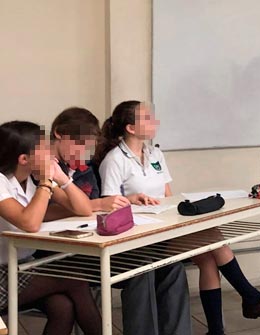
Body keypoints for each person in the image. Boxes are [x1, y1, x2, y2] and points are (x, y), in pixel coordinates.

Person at [94, 101, 260, 335]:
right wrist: (134, 200)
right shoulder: (114, 160)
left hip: (164, 228)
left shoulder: (155, 153)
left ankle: (220, 327)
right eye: (147, 118)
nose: (155, 122)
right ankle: (250, 297)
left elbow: (168, 195)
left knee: (207, 255)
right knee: (212, 237)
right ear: (131, 128)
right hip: (138, 239)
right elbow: (109, 208)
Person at [50, 107, 192, 335]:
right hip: (64, 252)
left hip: (94, 241)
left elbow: (92, 206)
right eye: (79, 145)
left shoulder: (84, 168)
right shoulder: (45, 168)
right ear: (59, 134)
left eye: (87, 147)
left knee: (171, 266)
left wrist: (125, 200)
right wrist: (90, 205)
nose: (83, 152)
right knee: (141, 269)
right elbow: (76, 208)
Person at [0, 121, 102, 335]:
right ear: (24, 159)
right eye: (44, 150)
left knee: (62, 308)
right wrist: (46, 182)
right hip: (3, 273)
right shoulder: (2, 182)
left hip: (22, 266)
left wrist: (62, 179)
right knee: (76, 278)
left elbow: (83, 208)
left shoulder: (31, 178)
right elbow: (30, 222)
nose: (51, 154)